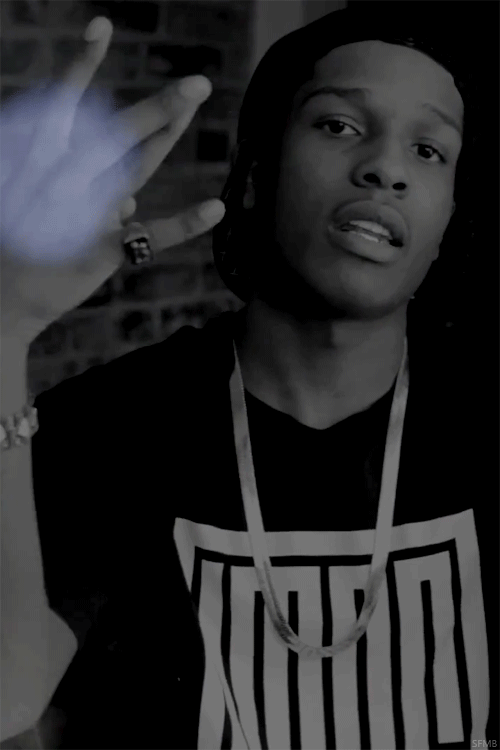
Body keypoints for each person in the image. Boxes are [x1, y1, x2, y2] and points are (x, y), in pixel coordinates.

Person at [0, 4, 497, 749]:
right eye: (339, 125)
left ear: (448, 221)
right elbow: (7, 697)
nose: (386, 168)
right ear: (258, 174)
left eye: (429, 149)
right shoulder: (112, 429)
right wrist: (2, 330)